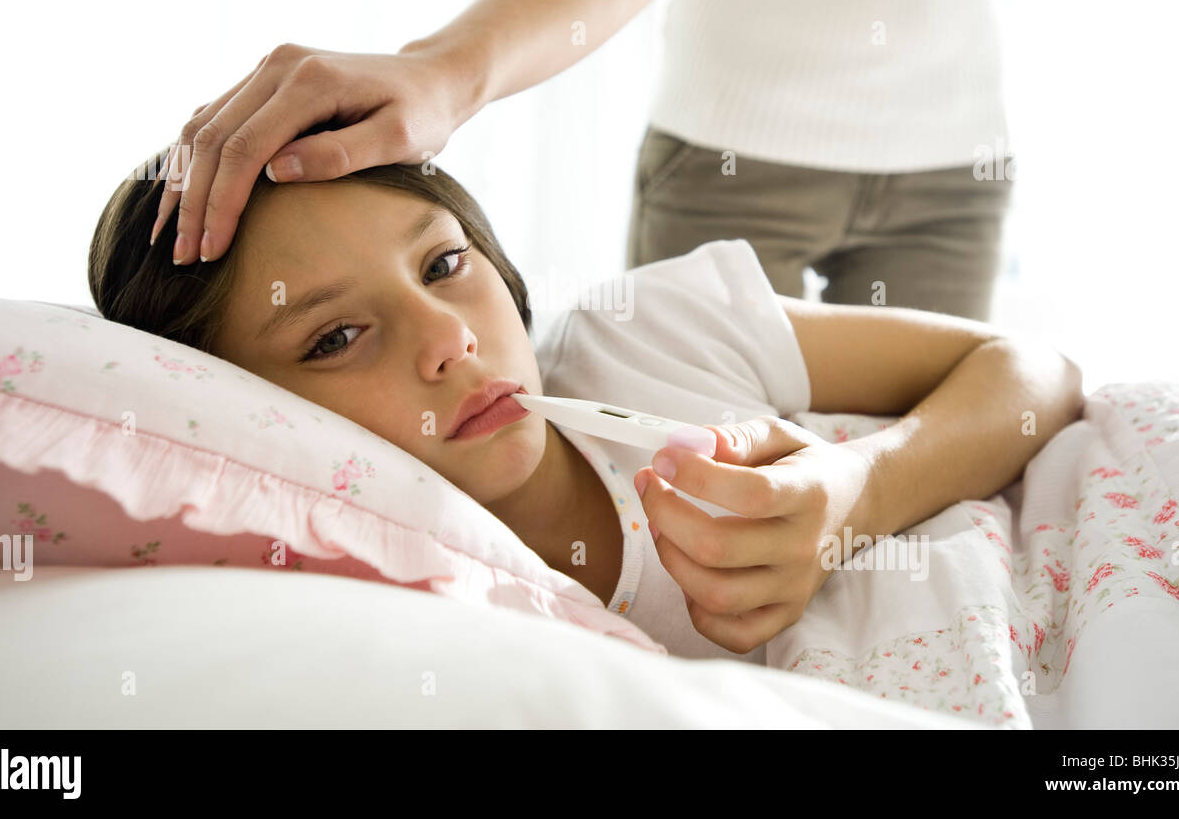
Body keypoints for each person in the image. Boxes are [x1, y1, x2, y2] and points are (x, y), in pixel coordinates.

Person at [96, 145, 1084, 661]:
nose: (451, 340)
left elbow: (1035, 371)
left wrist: (856, 493)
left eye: (444, 263)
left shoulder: (644, 333)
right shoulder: (380, 626)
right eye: (334, 338)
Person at [150, 0, 1036, 322]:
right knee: (707, 488)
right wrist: (446, 73)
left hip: (955, 162)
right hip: (732, 156)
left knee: (922, 523)